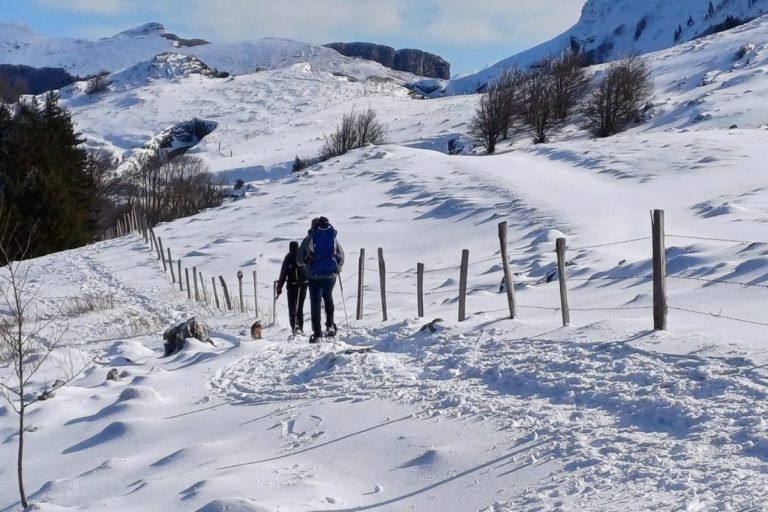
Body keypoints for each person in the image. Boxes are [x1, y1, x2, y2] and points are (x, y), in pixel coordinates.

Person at [297, 216, 344, 343]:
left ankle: (317, 334)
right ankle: (330, 326)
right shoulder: (332, 237)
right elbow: (341, 256)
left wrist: (306, 262)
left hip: (314, 276)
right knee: (328, 297)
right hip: (330, 275)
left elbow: (299, 260)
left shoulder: (309, 238)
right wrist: (337, 268)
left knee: (315, 302)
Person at [276, 241, 308, 335]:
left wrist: (279, 288)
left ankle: (295, 327)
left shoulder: (288, 258)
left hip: (292, 285)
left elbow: (283, 273)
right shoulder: (302, 256)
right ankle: (300, 327)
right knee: (300, 307)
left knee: (292, 308)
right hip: (303, 285)